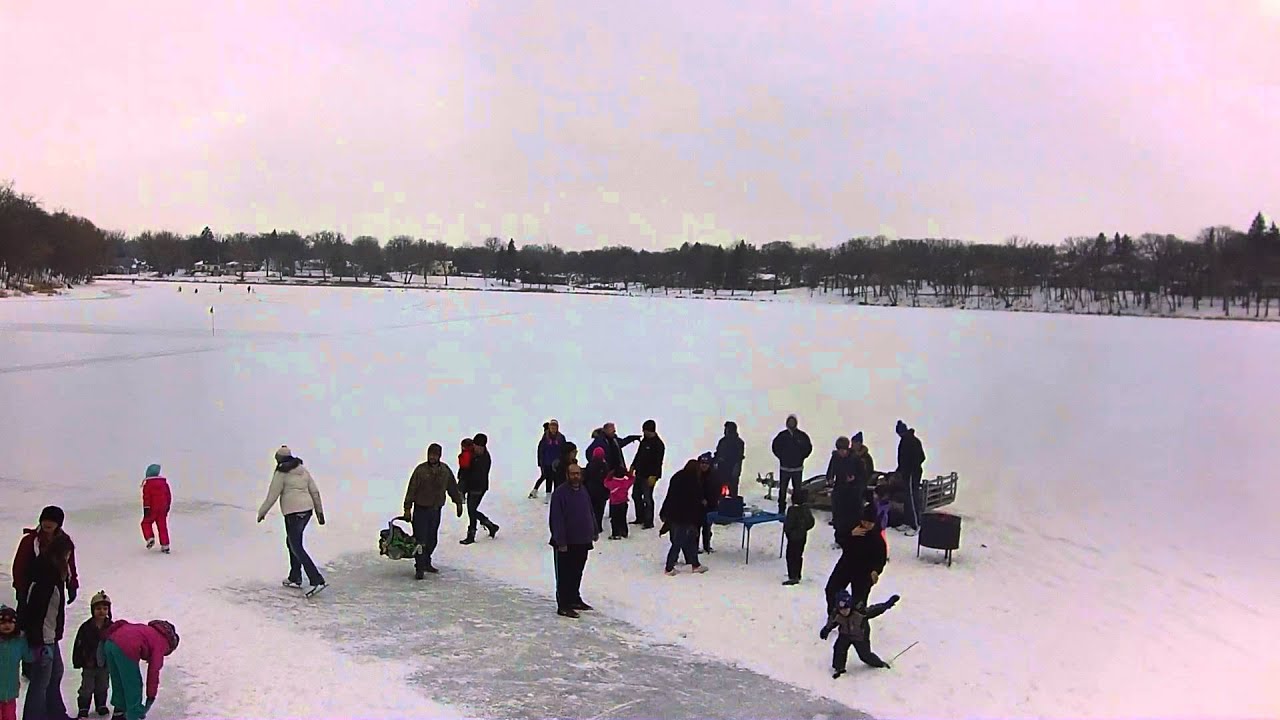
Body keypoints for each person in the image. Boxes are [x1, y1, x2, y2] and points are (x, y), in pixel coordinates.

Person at [257, 446, 327, 593]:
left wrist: (262, 512)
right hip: (306, 511)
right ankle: (295, 576)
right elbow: (314, 491)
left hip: (293, 513)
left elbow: (272, 495)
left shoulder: (281, 473)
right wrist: (319, 512)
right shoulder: (302, 470)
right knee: (292, 542)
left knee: (296, 546)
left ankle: (316, 579)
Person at [19, 532, 73, 720]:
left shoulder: (55, 574)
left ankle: (56, 713)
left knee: (55, 674)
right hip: (42, 637)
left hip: (49, 635)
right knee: (40, 681)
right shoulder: (46, 577)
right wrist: (38, 641)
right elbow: (35, 611)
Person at [403, 443, 463, 579]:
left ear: (439, 456)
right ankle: (419, 567)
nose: (432, 457)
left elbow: (452, 487)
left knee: (432, 539)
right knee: (420, 540)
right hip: (421, 510)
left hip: (435, 510)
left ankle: (426, 561)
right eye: (430, 454)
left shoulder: (445, 471)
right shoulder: (420, 470)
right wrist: (407, 509)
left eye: (435, 455)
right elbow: (411, 490)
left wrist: (458, 502)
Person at [99, 620, 178, 720]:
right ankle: (133, 715)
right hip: (126, 646)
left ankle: (119, 711)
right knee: (133, 684)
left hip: (110, 642)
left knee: (118, 680)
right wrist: (151, 696)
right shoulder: (162, 643)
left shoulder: (149, 631)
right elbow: (153, 672)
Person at [549, 463, 598, 618]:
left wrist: (594, 530)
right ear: (567, 475)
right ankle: (563, 604)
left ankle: (574, 599)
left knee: (577, 572)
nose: (576, 476)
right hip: (566, 542)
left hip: (582, 539)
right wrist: (560, 540)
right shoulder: (560, 493)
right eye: (573, 474)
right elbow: (556, 518)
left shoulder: (583, 490)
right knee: (564, 574)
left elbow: (589, 510)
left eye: (578, 473)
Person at [13, 506, 80, 613]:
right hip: (33, 587)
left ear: (58, 523)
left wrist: (72, 586)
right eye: (45, 520)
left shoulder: (65, 543)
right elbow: (19, 567)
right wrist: (20, 589)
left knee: (54, 622)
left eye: (52, 521)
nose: (48, 523)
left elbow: (70, 566)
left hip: (56, 589)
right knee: (29, 622)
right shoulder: (30, 540)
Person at [825, 501, 888, 615]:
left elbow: (880, 558)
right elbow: (840, 539)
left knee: (859, 602)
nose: (867, 525)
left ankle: (856, 623)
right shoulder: (853, 527)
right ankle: (834, 616)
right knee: (832, 590)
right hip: (846, 565)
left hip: (864, 572)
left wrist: (876, 571)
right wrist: (851, 534)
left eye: (870, 523)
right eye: (865, 522)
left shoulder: (877, 538)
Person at [821, 592, 899, 677]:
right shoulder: (836, 614)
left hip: (860, 636)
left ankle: (879, 664)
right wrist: (826, 629)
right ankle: (839, 668)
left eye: (846, 608)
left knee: (865, 655)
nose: (844, 612)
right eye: (841, 610)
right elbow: (832, 622)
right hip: (845, 634)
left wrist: (888, 604)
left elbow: (876, 609)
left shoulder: (860, 612)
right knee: (839, 649)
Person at [660, 459, 709, 576]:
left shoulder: (677, 477)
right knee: (679, 542)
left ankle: (695, 564)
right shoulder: (693, 481)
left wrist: (665, 512)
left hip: (674, 514)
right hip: (685, 516)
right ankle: (669, 567)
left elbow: (670, 496)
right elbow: (694, 500)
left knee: (690, 539)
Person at [71, 591, 113, 718]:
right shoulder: (86, 627)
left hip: (104, 664)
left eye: (105, 609)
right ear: (92, 610)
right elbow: (79, 644)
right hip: (89, 663)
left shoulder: (111, 627)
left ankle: (101, 704)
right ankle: (83, 707)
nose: (101, 611)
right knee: (87, 687)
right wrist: (78, 660)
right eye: (98, 608)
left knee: (103, 685)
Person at [460, 434, 499, 545]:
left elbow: (476, 474)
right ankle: (490, 525)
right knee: (472, 510)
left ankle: (471, 535)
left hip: (478, 487)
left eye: (479, 446)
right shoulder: (471, 454)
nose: (477, 448)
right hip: (471, 486)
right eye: (475, 445)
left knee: (471, 510)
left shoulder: (485, 458)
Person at [771, 415, 813, 513]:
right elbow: (775, 447)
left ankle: (796, 510)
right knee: (782, 490)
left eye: (793, 422)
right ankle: (781, 509)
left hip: (797, 468)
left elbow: (808, 448)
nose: (791, 424)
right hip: (784, 468)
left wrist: (802, 457)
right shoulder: (782, 436)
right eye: (789, 422)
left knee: (797, 490)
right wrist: (781, 457)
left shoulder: (802, 436)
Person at [629, 420, 664, 528]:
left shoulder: (658, 444)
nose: (644, 433)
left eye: (646, 431)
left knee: (647, 498)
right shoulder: (645, 441)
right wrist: (633, 465)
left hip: (650, 476)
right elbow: (639, 454)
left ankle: (649, 521)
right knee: (635, 495)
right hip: (640, 473)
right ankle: (640, 517)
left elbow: (658, 462)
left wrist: (654, 475)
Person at [0, 605, 33, 720]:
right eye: (3, 622)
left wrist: (38, 651)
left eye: (10, 622)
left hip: (10, 690)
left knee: (9, 715)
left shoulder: (19, 641)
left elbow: (28, 657)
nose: (7, 625)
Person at [827, 436, 863, 538]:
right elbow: (831, 470)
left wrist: (854, 479)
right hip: (839, 488)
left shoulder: (855, 459)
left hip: (853, 490)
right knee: (838, 516)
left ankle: (853, 536)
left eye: (844, 450)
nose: (842, 453)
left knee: (851, 516)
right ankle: (839, 537)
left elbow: (863, 475)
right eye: (840, 450)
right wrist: (830, 478)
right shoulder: (835, 457)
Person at [894, 420, 927, 530]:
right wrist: (899, 470)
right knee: (907, 498)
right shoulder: (904, 441)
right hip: (906, 473)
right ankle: (907, 522)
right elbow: (902, 459)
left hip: (912, 474)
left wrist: (911, 469)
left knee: (913, 498)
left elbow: (921, 457)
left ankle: (916, 525)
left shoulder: (912, 441)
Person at [783, 487, 816, 586]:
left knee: (791, 556)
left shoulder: (792, 510)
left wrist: (789, 533)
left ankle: (792, 576)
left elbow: (788, 525)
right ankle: (797, 574)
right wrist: (804, 529)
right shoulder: (806, 509)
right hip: (802, 536)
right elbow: (811, 522)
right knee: (798, 555)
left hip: (793, 537)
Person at [139, 464, 172, 554]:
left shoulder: (148, 485)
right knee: (162, 526)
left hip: (152, 508)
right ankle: (165, 545)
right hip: (163, 508)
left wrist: (146, 509)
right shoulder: (164, 484)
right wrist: (167, 506)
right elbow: (168, 496)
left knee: (146, 523)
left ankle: (150, 538)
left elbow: (146, 498)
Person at [531, 420, 565, 498]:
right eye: (551, 427)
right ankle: (547, 495)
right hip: (547, 462)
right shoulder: (545, 438)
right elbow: (540, 451)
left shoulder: (561, 438)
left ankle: (556, 495)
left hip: (557, 463)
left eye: (555, 427)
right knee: (547, 478)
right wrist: (540, 462)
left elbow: (564, 449)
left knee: (557, 479)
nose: (553, 429)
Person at [714, 421, 745, 497]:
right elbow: (718, 453)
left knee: (732, 490)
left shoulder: (738, 442)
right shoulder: (723, 441)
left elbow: (738, 457)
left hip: (732, 469)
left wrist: (736, 469)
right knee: (720, 489)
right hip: (722, 469)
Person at [583, 447, 610, 535]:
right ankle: (598, 526)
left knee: (592, 509)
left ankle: (592, 525)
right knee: (600, 510)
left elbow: (586, 477)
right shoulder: (605, 466)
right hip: (602, 491)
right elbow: (607, 478)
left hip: (591, 490)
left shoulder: (590, 465)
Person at [697, 452, 720, 553]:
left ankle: (707, 546)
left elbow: (716, 490)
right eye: (702, 463)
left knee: (707, 528)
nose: (704, 465)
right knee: (696, 528)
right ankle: (695, 546)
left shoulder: (714, 476)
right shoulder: (696, 475)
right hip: (698, 506)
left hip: (710, 506)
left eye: (706, 463)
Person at [603, 468, 634, 540]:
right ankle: (624, 532)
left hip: (614, 504)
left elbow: (605, 482)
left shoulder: (612, 483)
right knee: (623, 518)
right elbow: (632, 479)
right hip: (624, 503)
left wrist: (609, 475)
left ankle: (616, 534)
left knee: (614, 519)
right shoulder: (626, 482)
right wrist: (628, 474)